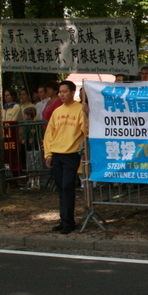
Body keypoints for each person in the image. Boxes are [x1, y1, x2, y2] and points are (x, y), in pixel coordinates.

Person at [42, 80, 87, 233]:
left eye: (65, 91)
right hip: (57, 154)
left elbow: (85, 130)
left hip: (71, 154)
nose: (62, 95)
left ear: (72, 92)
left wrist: (87, 114)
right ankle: (64, 220)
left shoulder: (79, 109)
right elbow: (49, 134)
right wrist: (48, 153)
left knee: (68, 186)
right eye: (60, 92)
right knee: (61, 188)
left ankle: (69, 222)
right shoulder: (57, 111)